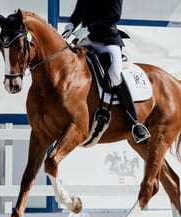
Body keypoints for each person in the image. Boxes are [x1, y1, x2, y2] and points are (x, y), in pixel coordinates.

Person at [64, 0, 150, 144]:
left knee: (115, 76)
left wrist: (89, 28)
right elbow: (78, 12)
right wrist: (71, 24)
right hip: (85, 40)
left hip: (107, 40)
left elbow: (113, 16)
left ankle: (135, 123)